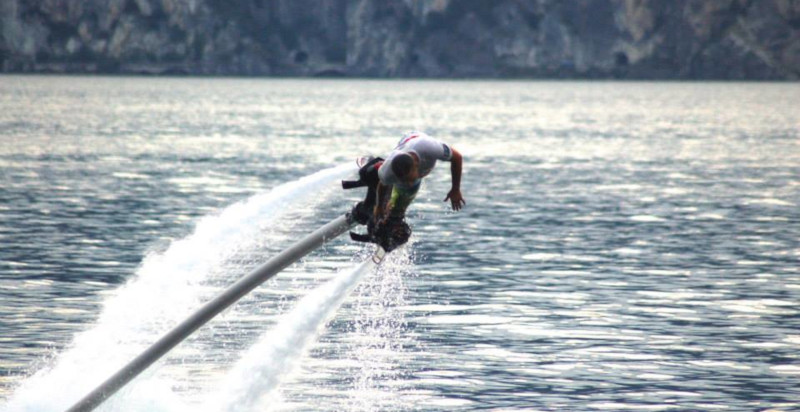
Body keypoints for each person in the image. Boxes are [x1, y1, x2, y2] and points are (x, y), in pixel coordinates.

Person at [373, 131, 465, 222]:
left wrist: (455, 189)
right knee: (391, 186)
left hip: (417, 141)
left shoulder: (430, 148)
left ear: (417, 164)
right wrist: (379, 206)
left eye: (410, 179)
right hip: (400, 152)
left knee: (402, 204)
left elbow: (457, 157)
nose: (409, 183)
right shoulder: (387, 171)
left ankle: (395, 216)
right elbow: (383, 184)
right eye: (405, 180)